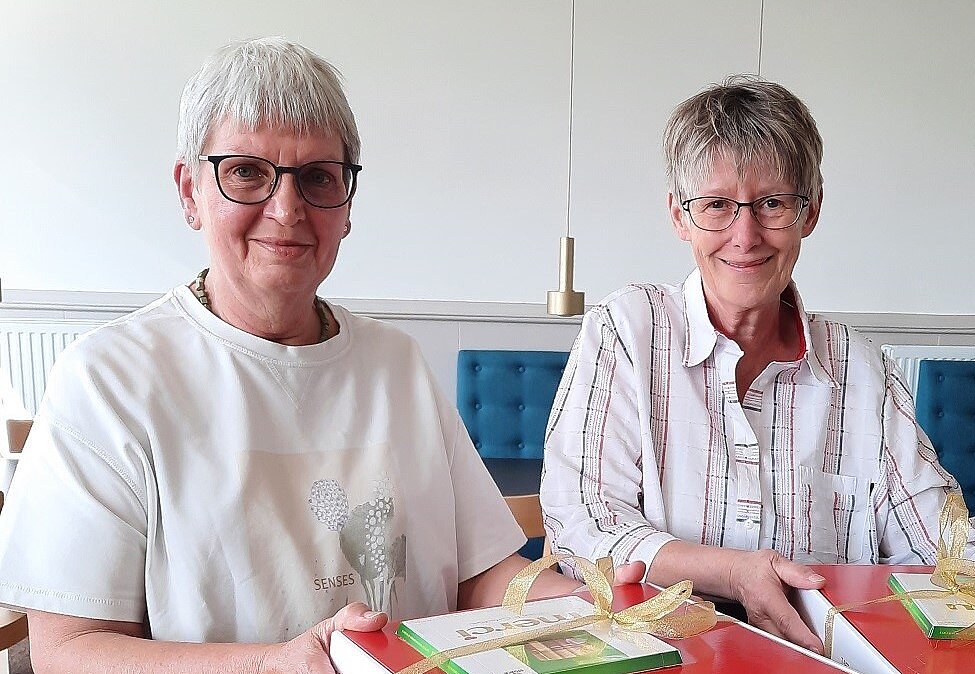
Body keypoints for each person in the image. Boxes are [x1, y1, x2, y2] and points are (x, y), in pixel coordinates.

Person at [0, 37, 632, 674]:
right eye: (246, 171)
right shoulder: (110, 379)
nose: (286, 209)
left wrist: (587, 607)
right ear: (189, 191)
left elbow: (484, 579)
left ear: (346, 205)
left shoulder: (396, 363)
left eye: (317, 178)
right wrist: (277, 664)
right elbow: (69, 652)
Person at [540, 76, 975, 652]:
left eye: (772, 204)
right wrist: (732, 572)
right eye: (717, 205)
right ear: (679, 217)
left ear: (809, 213)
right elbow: (581, 520)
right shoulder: (628, 330)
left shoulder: (857, 367)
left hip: (825, 659)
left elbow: (938, 537)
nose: (745, 236)